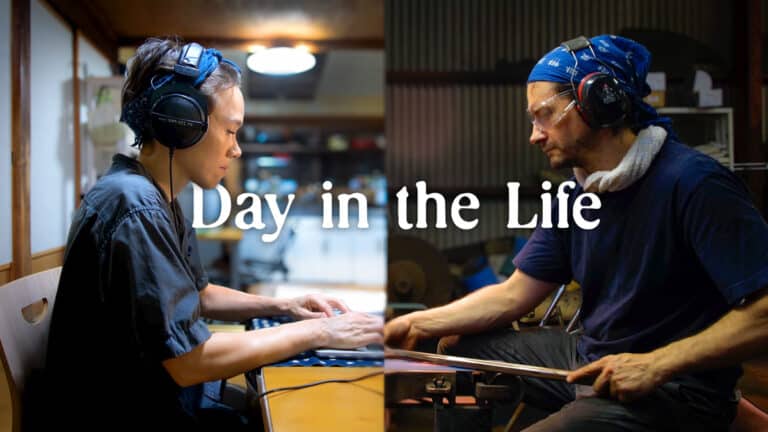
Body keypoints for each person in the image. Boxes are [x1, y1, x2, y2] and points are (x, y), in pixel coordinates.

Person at [385, 34, 768, 431]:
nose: (534, 134)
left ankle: (727, 417)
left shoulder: (695, 184)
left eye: (544, 114)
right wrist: (417, 324)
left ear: (598, 100)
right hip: (594, 359)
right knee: (456, 344)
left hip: (674, 388)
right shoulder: (576, 194)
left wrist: (657, 364)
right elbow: (515, 293)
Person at [44, 37, 383, 430]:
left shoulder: (151, 193)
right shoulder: (134, 205)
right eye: (230, 131)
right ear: (180, 123)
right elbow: (190, 361)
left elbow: (196, 293)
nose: (236, 149)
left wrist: (286, 306)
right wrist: (320, 330)